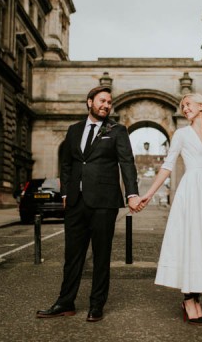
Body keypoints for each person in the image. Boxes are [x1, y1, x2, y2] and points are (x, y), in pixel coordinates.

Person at [36, 86, 141, 322]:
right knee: (72, 256)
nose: (106, 105)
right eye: (102, 101)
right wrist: (64, 194)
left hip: (104, 202)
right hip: (75, 202)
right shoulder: (74, 130)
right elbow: (67, 163)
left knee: (101, 255)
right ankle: (65, 302)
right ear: (89, 102)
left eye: (109, 102)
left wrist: (132, 193)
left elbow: (127, 163)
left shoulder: (117, 130)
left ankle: (96, 305)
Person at [138, 93, 202, 325]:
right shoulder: (181, 134)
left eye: (188, 105)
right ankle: (189, 300)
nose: (185, 109)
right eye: (183, 106)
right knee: (191, 241)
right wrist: (149, 194)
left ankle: (196, 298)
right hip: (190, 192)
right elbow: (167, 166)